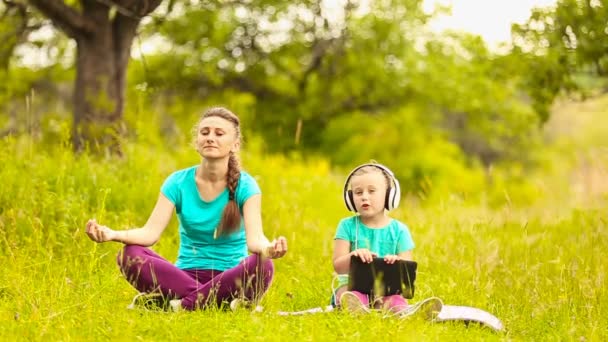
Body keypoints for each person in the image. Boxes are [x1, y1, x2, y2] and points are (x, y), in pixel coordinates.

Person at [85, 106, 288, 311]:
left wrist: (268, 249)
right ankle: (219, 304)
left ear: (235, 145)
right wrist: (111, 234)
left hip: (231, 276)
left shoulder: (247, 186)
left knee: (264, 263)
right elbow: (149, 234)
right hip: (184, 276)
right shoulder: (177, 182)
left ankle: (177, 305)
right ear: (196, 141)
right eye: (204, 132)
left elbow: (255, 241)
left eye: (219, 134)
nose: (210, 138)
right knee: (129, 255)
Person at [332, 163, 414, 314]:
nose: (364, 196)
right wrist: (353, 256)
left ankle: (397, 310)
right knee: (350, 296)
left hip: (387, 291)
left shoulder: (400, 230)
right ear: (350, 198)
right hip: (353, 287)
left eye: (371, 191)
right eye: (358, 192)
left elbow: (407, 275)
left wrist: (397, 262)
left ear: (389, 196)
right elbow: (338, 266)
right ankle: (357, 308)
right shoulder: (346, 226)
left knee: (396, 301)